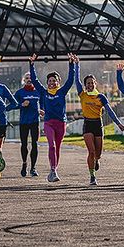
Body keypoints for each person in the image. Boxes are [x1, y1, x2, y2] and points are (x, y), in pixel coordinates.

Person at [28, 53, 78, 183]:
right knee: (52, 146)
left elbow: (70, 80)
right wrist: (31, 65)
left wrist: (71, 64)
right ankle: (53, 170)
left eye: (54, 81)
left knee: (58, 147)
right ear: (47, 83)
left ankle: (54, 169)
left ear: (58, 82)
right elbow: (35, 81)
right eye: (49, 81)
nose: (51, 83)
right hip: (49, 123)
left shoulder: (62, 91)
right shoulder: (44, 92)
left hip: (61, 123)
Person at [75, 67, 124, 186]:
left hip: (98, 124)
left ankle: (97, 160)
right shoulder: (82, 94)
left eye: (91, 83)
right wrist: (76, 65)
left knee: (98, 154)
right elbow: (76, 80)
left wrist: (118, 123)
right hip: (87, 124)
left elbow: (109, 111)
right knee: (91, 151)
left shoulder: (101, 97)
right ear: (85, 85)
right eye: (87, 83)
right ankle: (92, 176)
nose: (89, 85)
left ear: (95, 83)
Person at [14, 73, 42, 177]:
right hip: (24, 122)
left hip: (35, 121)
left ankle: (33, 168)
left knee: (34, 144)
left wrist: (42, 110)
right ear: (23, 80)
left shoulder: (38, 91)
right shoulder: (20, 93)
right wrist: (21, 105)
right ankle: (24, 164)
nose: (29, 80)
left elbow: (43, 103)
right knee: (24, 144)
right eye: (26, 78)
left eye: (30, 78)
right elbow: (13, 103)